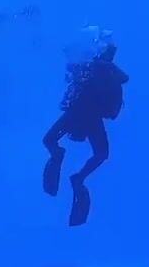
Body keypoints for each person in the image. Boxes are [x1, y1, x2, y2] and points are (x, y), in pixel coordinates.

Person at [41, 42, 129, 226]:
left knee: (49, 140)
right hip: (91, 117)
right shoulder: (109, 72)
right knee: (101, 153)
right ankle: (78, 177)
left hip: (78, 112)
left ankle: (59, 156)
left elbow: (72, 68)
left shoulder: (90, 65)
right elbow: (123, 80)